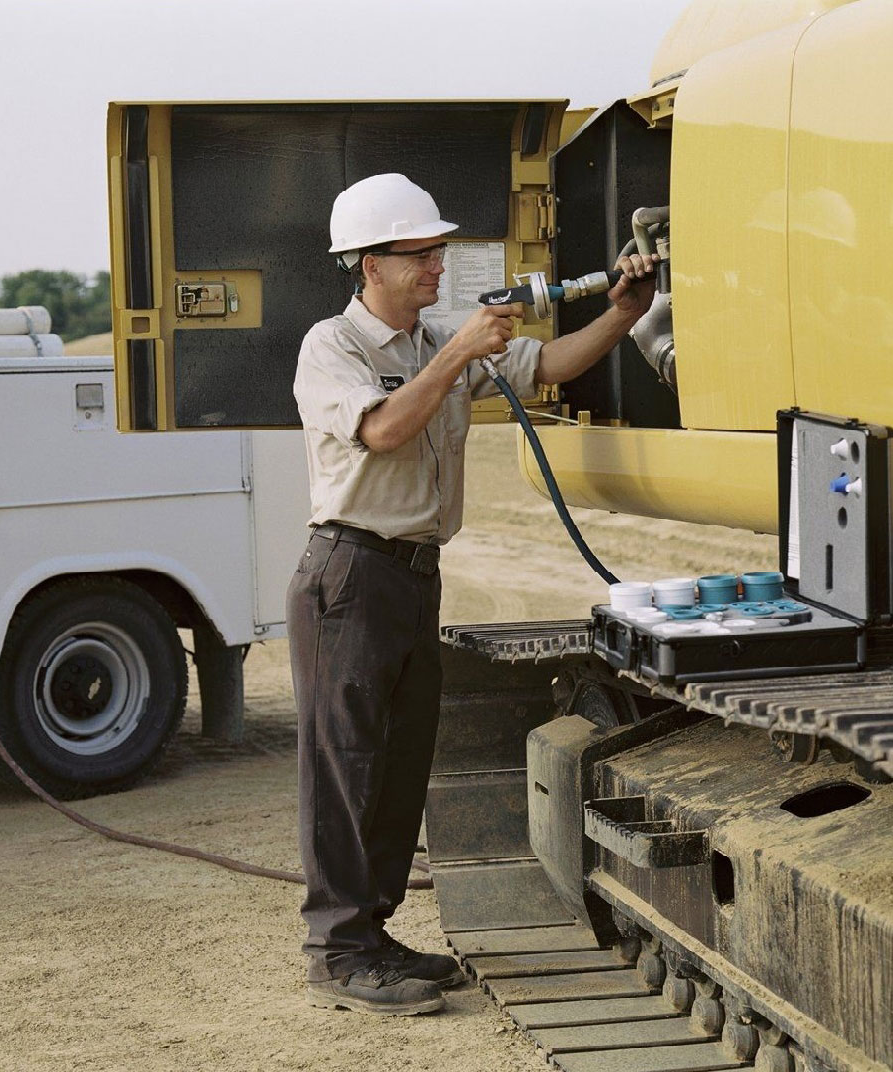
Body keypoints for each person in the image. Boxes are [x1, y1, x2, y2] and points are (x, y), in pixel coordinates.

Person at [287, 173, 657, 1016]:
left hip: (413, 576)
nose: (434, 266)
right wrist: (460, 350)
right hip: (349, 573)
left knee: (398, 761)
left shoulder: (436, 344)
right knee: (343, 767)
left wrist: (625, 312)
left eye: (436, 251)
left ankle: (371, 935)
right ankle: (337, 951)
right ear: (366, 264)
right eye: (417, 253)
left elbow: (550, 362)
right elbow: (381, 430)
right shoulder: (332, 348)